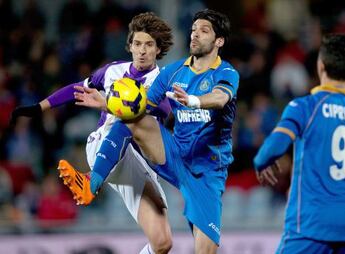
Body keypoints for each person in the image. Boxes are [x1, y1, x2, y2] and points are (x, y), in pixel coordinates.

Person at [74, 9, 239, 254]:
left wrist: (193, 101)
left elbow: (219, 98)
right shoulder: (173, 72)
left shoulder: (226, 73)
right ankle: (92, 181)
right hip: (175, 154)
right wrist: (107, 103)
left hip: (207, 171)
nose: (195, 35)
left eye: (203, 31)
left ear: (219, 41)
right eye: (193, 29)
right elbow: (140, 109)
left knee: (204, 251)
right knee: (133, 119)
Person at [11, 12, 173, 254]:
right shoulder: (112, 72)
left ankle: (93, 181)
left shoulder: (163, 83)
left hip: (136, 162)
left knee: (162, 243)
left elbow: (164, 110)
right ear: (129, 45)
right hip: (103, 146)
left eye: (149, 45)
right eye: (137, 43)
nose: (142, 50)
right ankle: (90, 180)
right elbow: (78, 89)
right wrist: (40, 107)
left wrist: (107, 102)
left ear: (158, 49)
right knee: (127, 121)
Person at [253, 34, 345, 254]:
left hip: (310, 227)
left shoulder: (305, 107)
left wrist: (261, 162)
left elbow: (269, 151)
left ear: (320, 66)